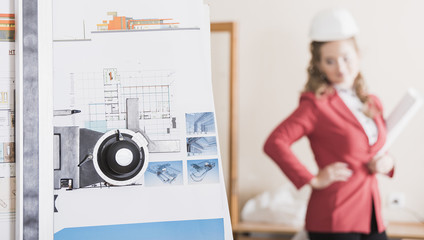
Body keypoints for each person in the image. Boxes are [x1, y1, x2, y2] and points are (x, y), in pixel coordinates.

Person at [263, 8, 395, 240]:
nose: (341, 68)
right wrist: (312, 178)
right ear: (319, 65)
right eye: (330, 61)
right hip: (335, 217)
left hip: (373, 214)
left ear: (358, 54)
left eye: (346, 57)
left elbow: (378, 148)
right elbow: (275, 142)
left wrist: (387, 162)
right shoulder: (316, 104)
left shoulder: (372, 102)